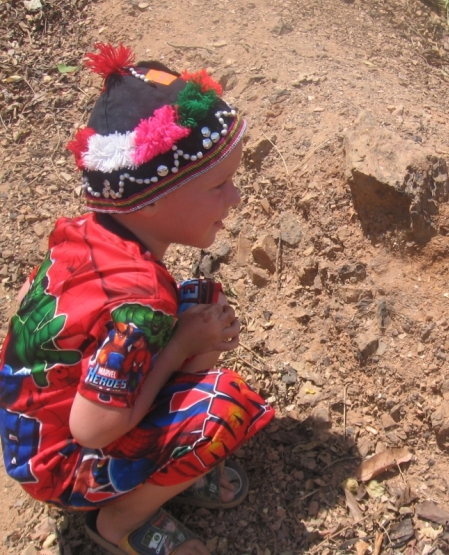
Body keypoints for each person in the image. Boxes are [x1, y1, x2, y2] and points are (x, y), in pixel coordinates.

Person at [0, 43, 274, 555]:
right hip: (63, 464)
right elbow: (93, 429)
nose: (235, 198)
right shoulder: (140, 300)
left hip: (32, 435)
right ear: (149, 203)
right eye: (219, 185)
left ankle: (163, 470)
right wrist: (178, 346)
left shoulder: (86, 235)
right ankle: (121, 521)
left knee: (197, 302)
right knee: (222, 406)